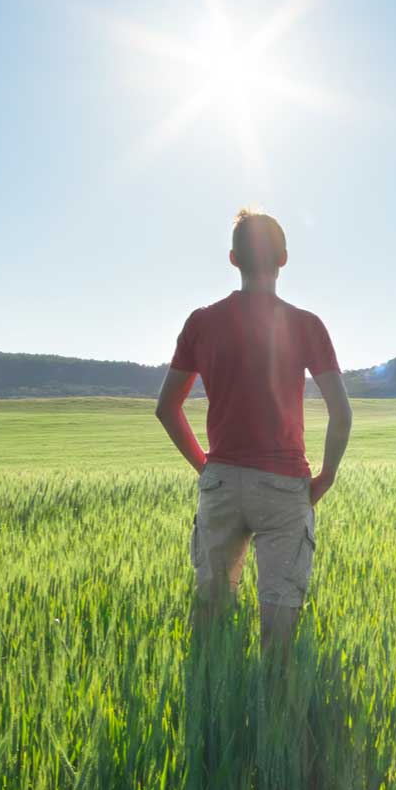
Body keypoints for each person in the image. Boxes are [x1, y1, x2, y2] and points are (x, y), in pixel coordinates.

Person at [156, 207, 352, 650]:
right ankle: (276, 691)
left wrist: (207, 467)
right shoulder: (306, 325)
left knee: (211, 624)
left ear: (232, 259)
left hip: (222, 482)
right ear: (283, 259)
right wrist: (327, 475)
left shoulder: (201, 322)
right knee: (279, 632)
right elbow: (341, 412)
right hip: (284, 486)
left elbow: (167, 408)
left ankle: (213, 691)